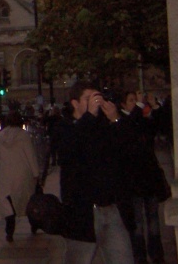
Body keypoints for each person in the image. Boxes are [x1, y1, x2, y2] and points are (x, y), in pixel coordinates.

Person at [58, 80, 136, 264]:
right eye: (88, 99)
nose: (95, 103)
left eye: (97, 98)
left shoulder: (102, 125)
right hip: (82, 213)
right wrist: (89, 116)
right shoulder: (65, 126)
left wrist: (115, 120)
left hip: (111, 209)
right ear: (75, 103)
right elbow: (69, 152)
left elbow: (129, 151)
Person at [118, 91, 168, 264]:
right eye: (131, 100)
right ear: (123, 105)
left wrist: (154, 106)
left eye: (136, 100)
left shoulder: (142, 119)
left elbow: (159, 127)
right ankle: (139, 255)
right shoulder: (122, 121)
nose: (136, 103)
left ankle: (156, 253)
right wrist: (139, 107)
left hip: (149, 178)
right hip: (133, 181)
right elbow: (129, 128)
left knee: (154, 219)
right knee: (137, 222)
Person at [0, 111, 40, 242]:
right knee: (28, 202)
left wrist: (0, 172)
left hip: (6, 174)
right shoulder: (23, 136)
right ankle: (34, 226)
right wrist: (36, 173)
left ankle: (9, 231)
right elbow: (30, 155)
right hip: (23, 174)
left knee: (8, 203)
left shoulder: (0, 137)